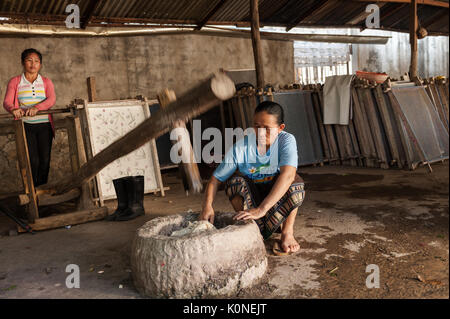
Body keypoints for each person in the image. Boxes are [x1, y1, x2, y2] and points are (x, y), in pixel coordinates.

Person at [200, 101, 306, 253]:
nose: (261, 133)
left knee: (295, 182)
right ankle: (251, 229)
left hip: (275, 200)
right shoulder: (242, 146)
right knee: (234, 182)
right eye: (257, 127)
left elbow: (288, 175)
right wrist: (207, 206)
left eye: (267, 129)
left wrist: (262, 209)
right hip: (252, 200)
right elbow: (216, 179)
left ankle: (286, 233)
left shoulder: (286, 140)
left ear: (280, 128)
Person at [3, 48, 56, 187]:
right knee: (33, 161)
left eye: (37, 61)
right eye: (29, 60)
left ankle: (41, 190)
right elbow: (7, 102)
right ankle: (33, 192)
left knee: (45, 160)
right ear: (23, 63)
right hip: (26, 126)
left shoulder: (46, 81)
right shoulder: (15, 81)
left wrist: (37, 108)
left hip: (44, 126)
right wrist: (13, 108)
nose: (33, 64)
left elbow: (51, 99)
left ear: (40, 64)